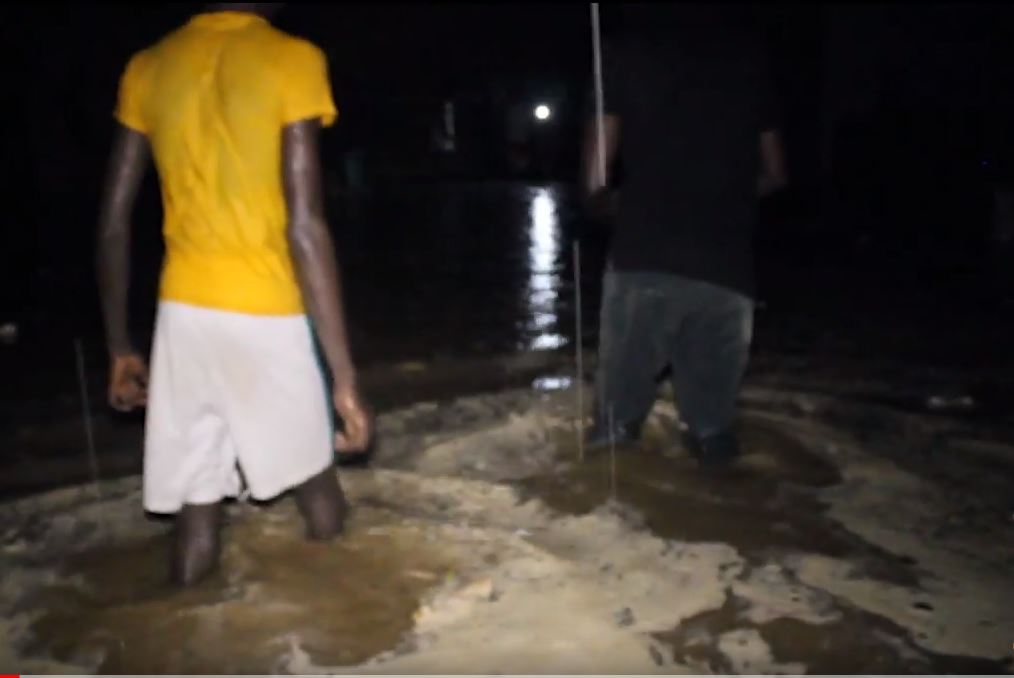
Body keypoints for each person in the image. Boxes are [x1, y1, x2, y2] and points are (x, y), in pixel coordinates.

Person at [97, 3, 371, 585]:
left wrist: (121, 346)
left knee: (198, 512)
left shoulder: (147, 66)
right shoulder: (292, 59)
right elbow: (305, 225)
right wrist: (343, 378)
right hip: (264, 311)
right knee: (319, 493)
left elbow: (113, 224)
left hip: (182, 315)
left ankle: (186, 632)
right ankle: (351, 633)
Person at [583, 5, 787, 470]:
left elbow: (594, 185)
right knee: (715, 435)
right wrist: (719, 198)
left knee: (612, 438)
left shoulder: (618, 54)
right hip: (728, 271)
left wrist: (620, 205)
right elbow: (776, 175)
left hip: (645, 257)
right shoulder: (750, 60)